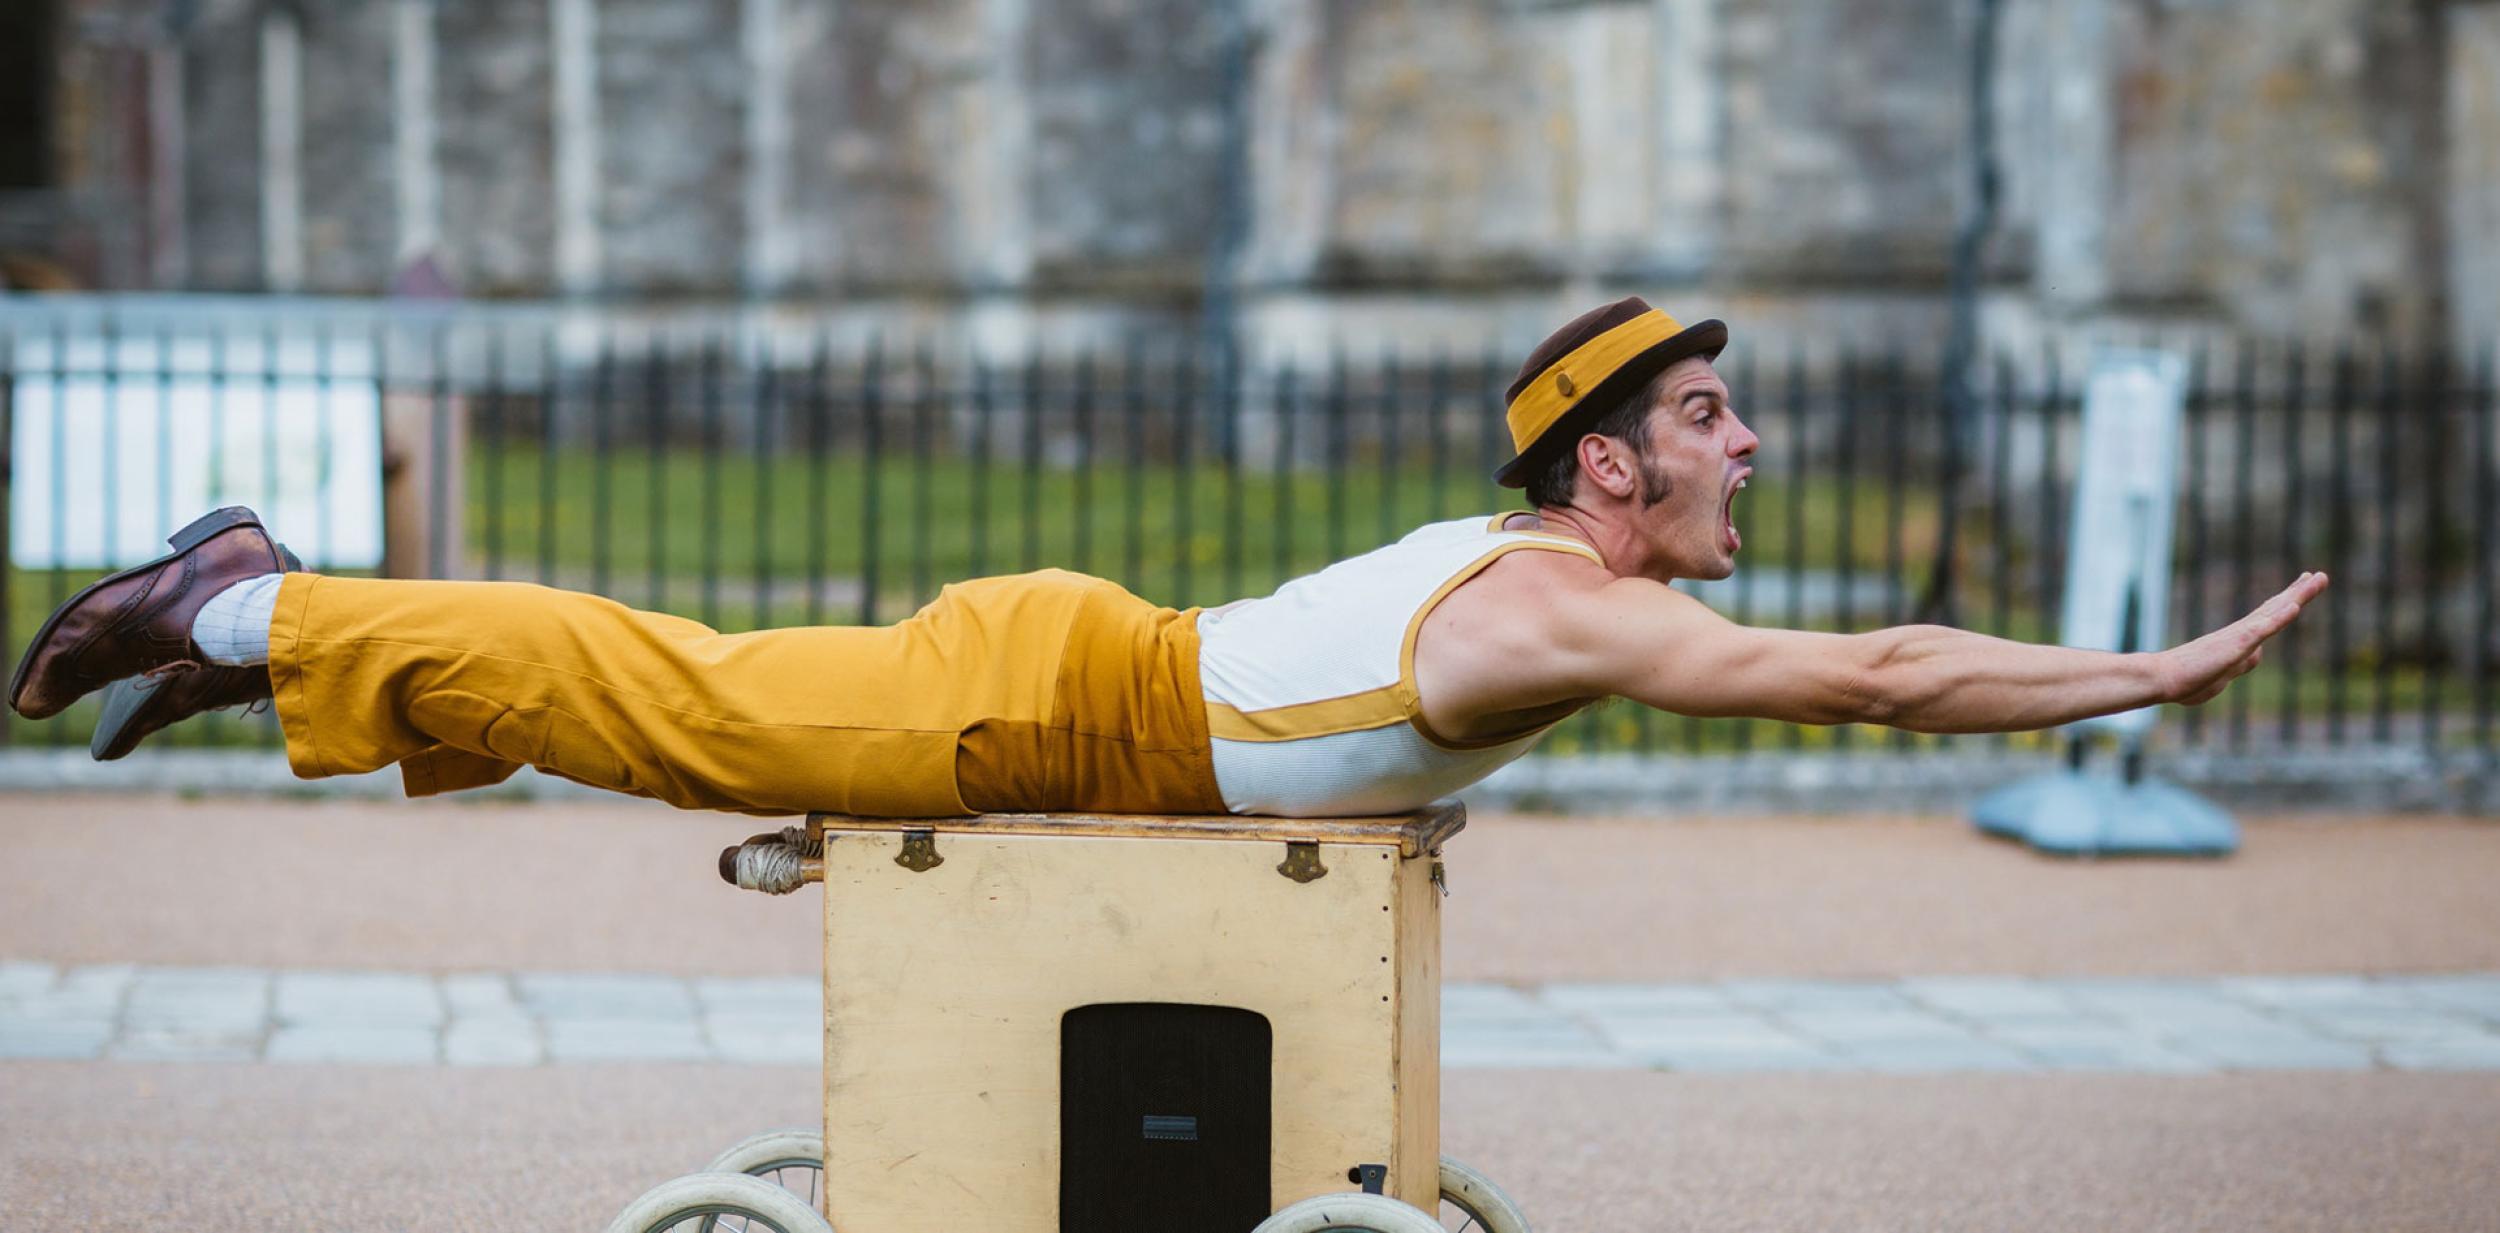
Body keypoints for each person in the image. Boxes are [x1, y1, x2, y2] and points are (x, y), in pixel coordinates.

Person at [7, 297, 2327, 818]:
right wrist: (2148, 671)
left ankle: (280, 634)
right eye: (1706, 418)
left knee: (677, 693)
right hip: (1051, 697)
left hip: (1083, 709)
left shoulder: (1574, 582)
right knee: (672, 691)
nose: (1750, 442)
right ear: (1605, 467)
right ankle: (251, 600)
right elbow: (1894, 675)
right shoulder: (1563, 603)